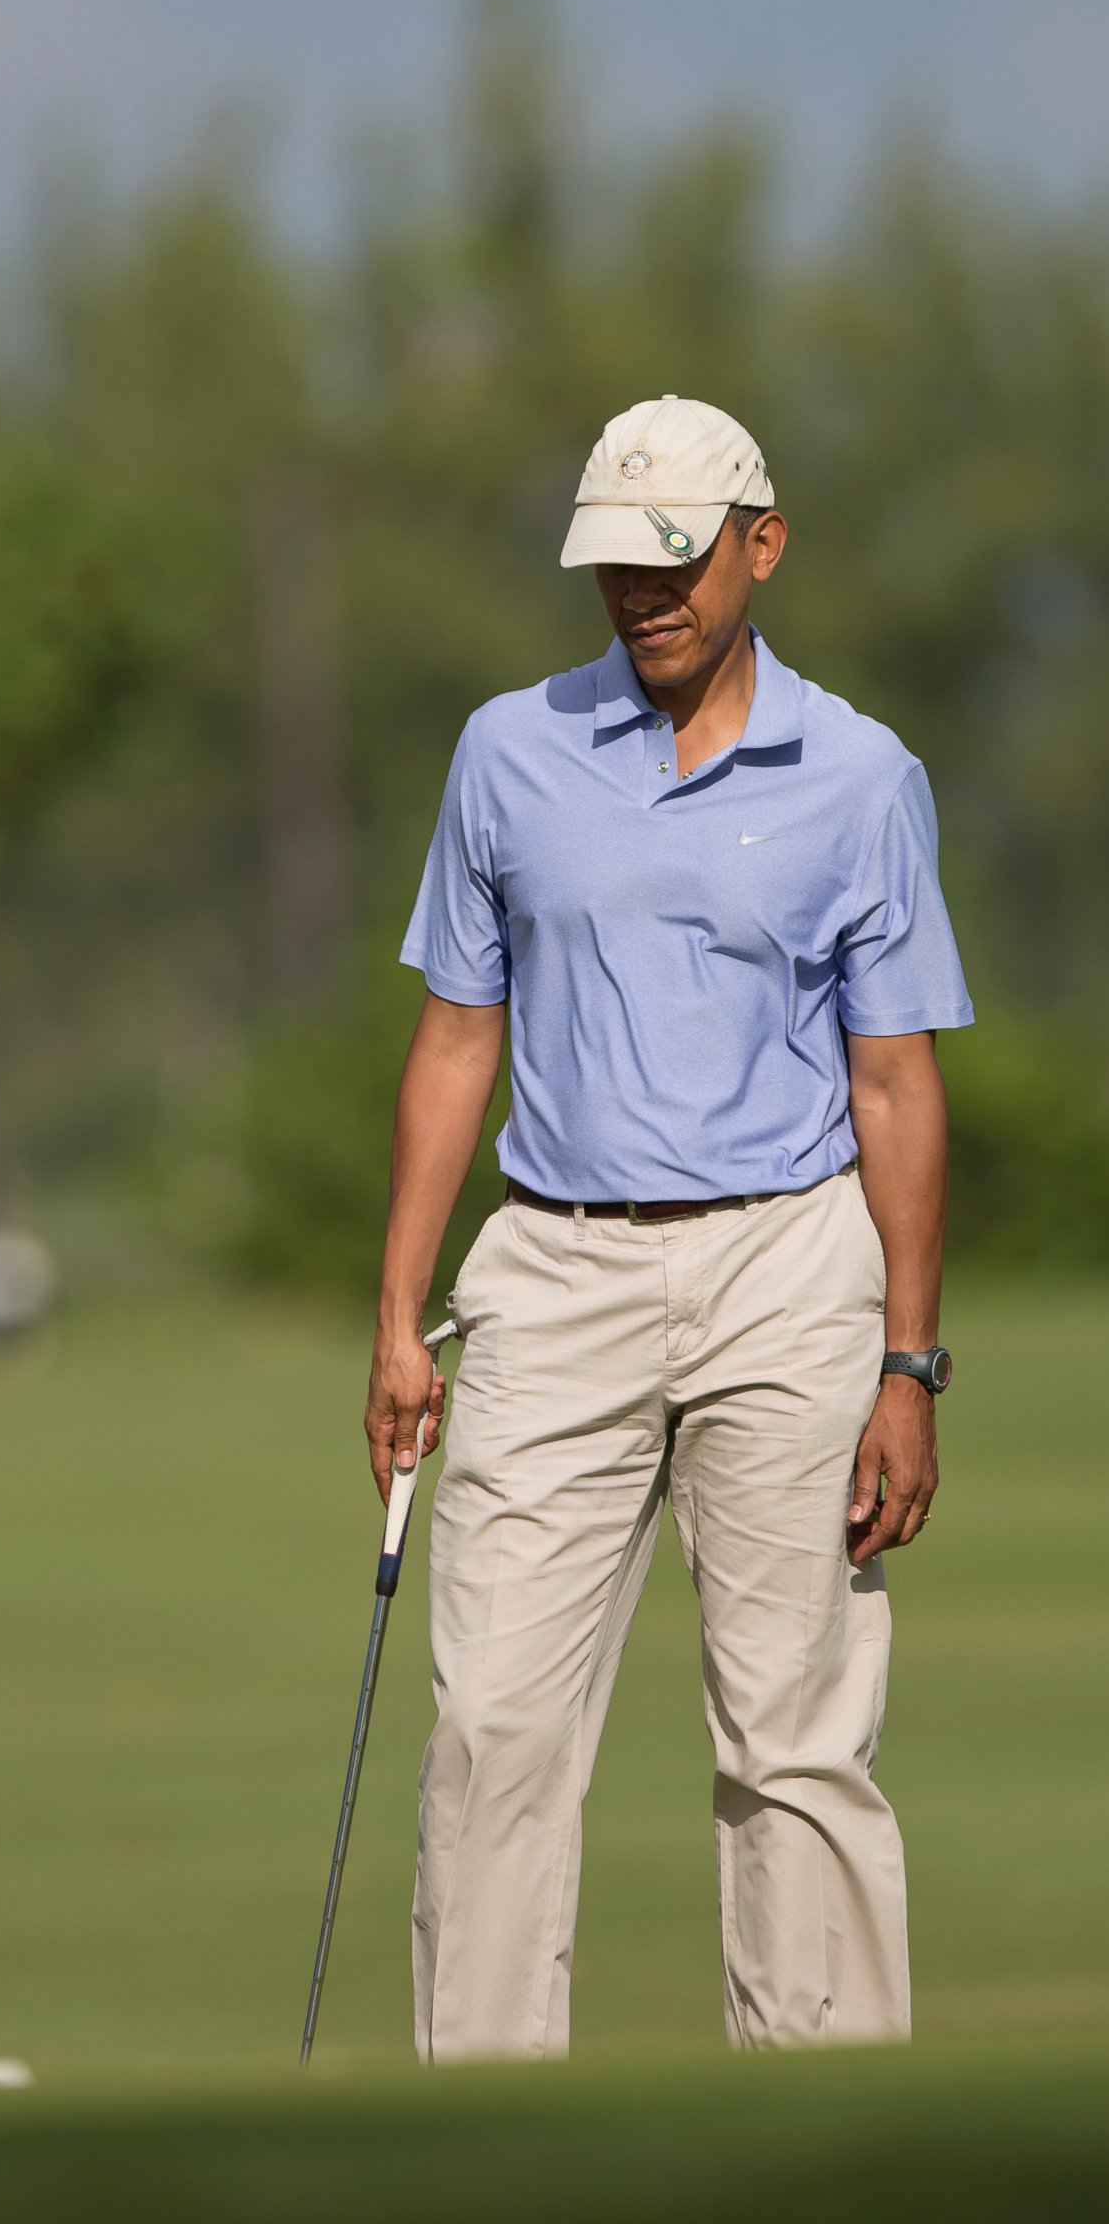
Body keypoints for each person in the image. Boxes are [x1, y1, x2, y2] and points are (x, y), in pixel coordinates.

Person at [370, 395, 970, 2061]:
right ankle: (476, 2129)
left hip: (789, 1268)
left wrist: (904, 1361)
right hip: (550, 1263)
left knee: (790, 1732)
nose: (640, 596)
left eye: (672, 561)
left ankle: (826, 2117)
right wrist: (394, 1312)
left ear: (756, 547)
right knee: (488, 1721)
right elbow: (449, 1039)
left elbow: (895, 1085)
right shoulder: (506, 749)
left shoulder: (857, 774)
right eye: (610, 569)